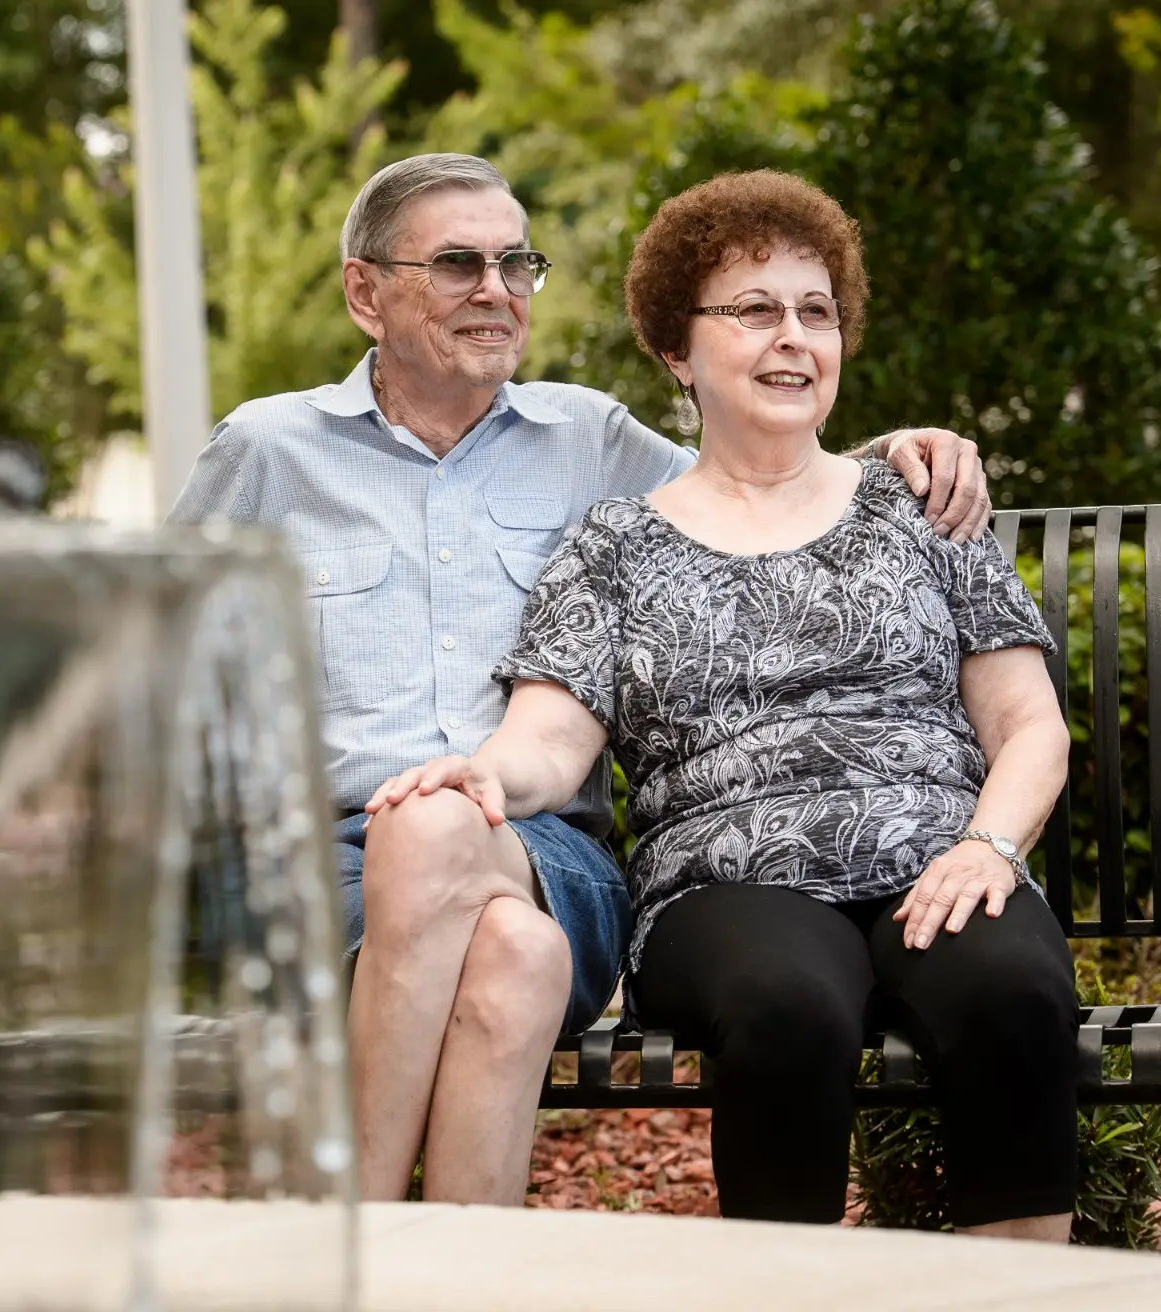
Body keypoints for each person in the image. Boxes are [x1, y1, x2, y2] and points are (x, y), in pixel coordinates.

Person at [168, 153, 995, 1206]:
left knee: (437, 831)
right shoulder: (270, 450)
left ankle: (355, 1253)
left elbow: (757, 489)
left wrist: (896, 454)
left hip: (545, 849)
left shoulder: (588, 438)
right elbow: (157, 656)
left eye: (517, 262)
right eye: (459, 262)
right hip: (314, 861)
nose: (496, 290)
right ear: (365, 292)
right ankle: (460, 1282)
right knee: (509, 956)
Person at [370, 169, 1076, 1236]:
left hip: (937, 855)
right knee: (788, 1006)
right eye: (755, 310)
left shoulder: (923, 507)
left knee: (1013, 991)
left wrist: (988, 845)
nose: (793, 337)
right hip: (728, 881)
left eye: (816, 312)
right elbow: (551, 738)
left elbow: (1029, 724)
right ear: (675, 351)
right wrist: (491, 773)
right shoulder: (614, 546)